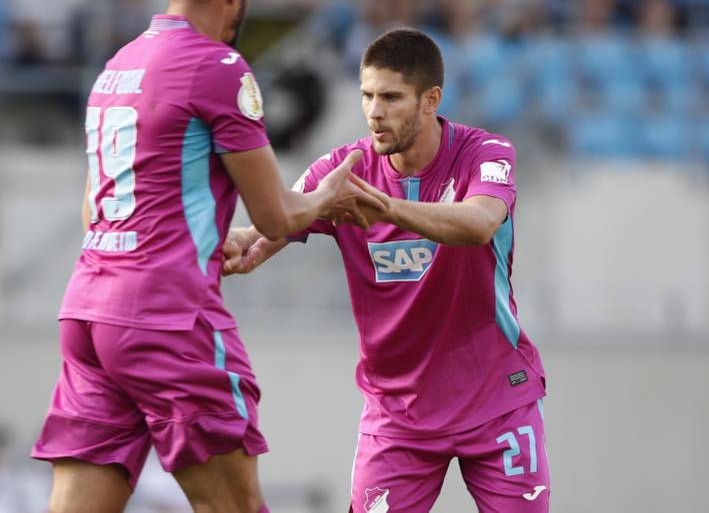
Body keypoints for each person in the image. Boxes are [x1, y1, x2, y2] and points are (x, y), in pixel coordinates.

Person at [30, 0, 378, 513]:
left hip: (89, 312)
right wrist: (331, 198)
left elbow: (98, 207)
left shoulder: (118, 66)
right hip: (168, 319)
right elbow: (274, 215)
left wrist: (200, 237)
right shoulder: (217, 67)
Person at [224, 28, 550, 513]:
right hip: (399, 416)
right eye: (367, 95)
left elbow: (480, 222)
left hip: (497, 401)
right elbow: (258, 240)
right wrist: (228, 245)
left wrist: (386, 209)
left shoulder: (486, 154)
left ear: (430, 100)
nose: (375, 111)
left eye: (392, 97)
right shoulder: (338, 173)